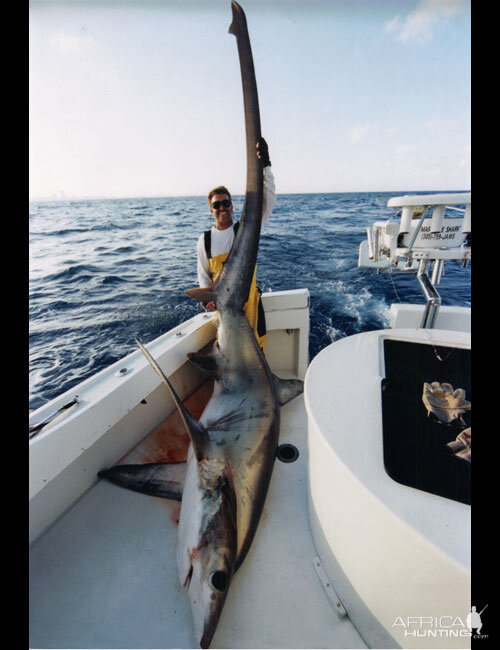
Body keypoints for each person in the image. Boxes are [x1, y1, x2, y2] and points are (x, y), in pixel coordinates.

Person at [196, 137, 275, 353]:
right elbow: (203, 278)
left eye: (226, 203)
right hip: (225, 315)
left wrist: (266, 165)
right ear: (211, 210)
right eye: (216, 204)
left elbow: (267, 200)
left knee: (258, 355)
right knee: (229, 358)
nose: (222, 207)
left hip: (251, 309)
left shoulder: (246, 229)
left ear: (232, 206)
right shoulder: (205, 241)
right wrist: (206, 301)